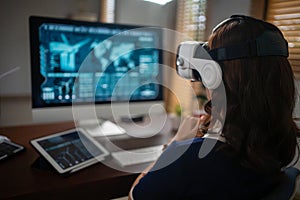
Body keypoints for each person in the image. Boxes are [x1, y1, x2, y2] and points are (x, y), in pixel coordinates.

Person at [128, 15, 300, 200]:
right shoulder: (278, 143)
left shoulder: (190, 160)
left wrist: (175, 144)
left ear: (213, 76)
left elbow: (135, 195)